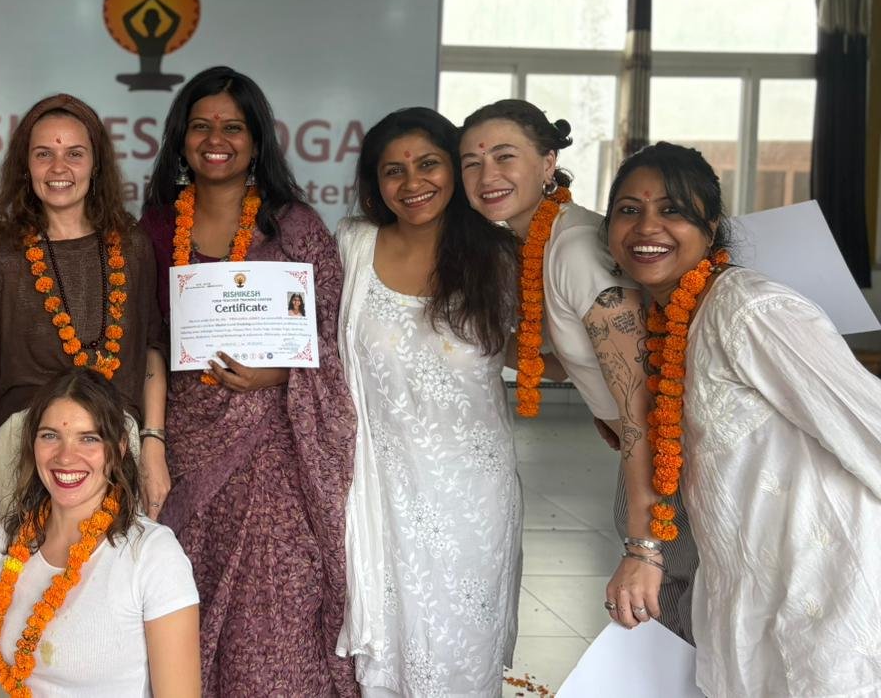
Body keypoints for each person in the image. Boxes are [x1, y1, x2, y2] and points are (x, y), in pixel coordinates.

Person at [604, 143, 881, 697]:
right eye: (629, 210)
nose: (647, 227)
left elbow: (868, 422)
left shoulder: (752, 310)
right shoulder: (666, 320)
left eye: (673, 210)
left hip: (827, 583)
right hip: (742, 587)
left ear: (711, 228)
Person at [138, 66, 354, 695]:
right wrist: (152, 442)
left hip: (278, 456)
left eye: (233, 127)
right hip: (185, 445)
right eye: (201, 126)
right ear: (181, 139)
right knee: (183, 601)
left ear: (257, 141)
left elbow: (337, 337)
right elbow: (146, 342)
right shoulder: (154, 230)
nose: (216, 139)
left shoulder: (295, 228)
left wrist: (279, 371)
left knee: (277, 611)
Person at [458, 99, 691, 639]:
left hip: (673, 461)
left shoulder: (575, 247)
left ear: (548, 163)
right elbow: (568, 362)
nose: (487, 175)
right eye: (471, 162)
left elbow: (641, 405)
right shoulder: (539, 243)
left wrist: (643, 548)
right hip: (646, 451)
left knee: (681, 619)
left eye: (504, 156)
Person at [336, 107, 521, 697]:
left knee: (461, 643)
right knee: (391, 642)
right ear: (375, 182)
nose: (412, 182)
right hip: (380, 484)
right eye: (394, 170)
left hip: (471, 494)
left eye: (428, 164)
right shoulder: (352, 247)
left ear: (455, 170)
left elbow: (549, 351)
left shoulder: (500, 256)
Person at [0, 94, 167, 539]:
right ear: (25, 167)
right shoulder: (6, 261)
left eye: (74, 154)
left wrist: (153, 443)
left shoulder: (133, 248)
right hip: (25, 454)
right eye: (43, 154)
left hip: (113, 449)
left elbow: (150, 352)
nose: (58, 168)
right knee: (24, 578)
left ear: (96, 164)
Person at [0, 369, 200, 698]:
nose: (65, 456)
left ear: (118, 449)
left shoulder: (153, 555)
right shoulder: (6, 541)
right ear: (32, 444)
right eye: (50, 436)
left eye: (88, 438)